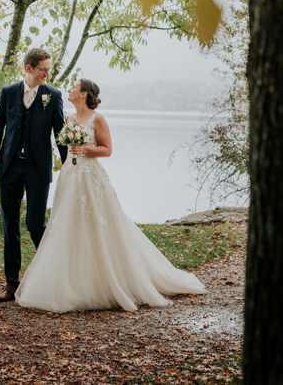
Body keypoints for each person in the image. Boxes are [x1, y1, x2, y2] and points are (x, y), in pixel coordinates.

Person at [15, 78, 206, 313]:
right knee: (69, 223)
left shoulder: (98, 119)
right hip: (70, 175)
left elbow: (107, 150)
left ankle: (106, 280)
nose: (69, 90)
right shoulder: (70, 119)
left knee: (98, 223)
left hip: (90, 177)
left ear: (84, 94)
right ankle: (73, 279)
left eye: (73, 88)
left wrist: (84, 149)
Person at [0, 47, 67, 302]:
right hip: (9, 167)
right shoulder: (8, 92)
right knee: (10, 225)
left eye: (49, 69)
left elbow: (60, 134)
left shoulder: (53, 96)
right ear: (29, 69)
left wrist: (70, 166)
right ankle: (12, 284)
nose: (47, 74)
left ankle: (52, 274)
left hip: (37, 169)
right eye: (43, 69)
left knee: (34, 223)